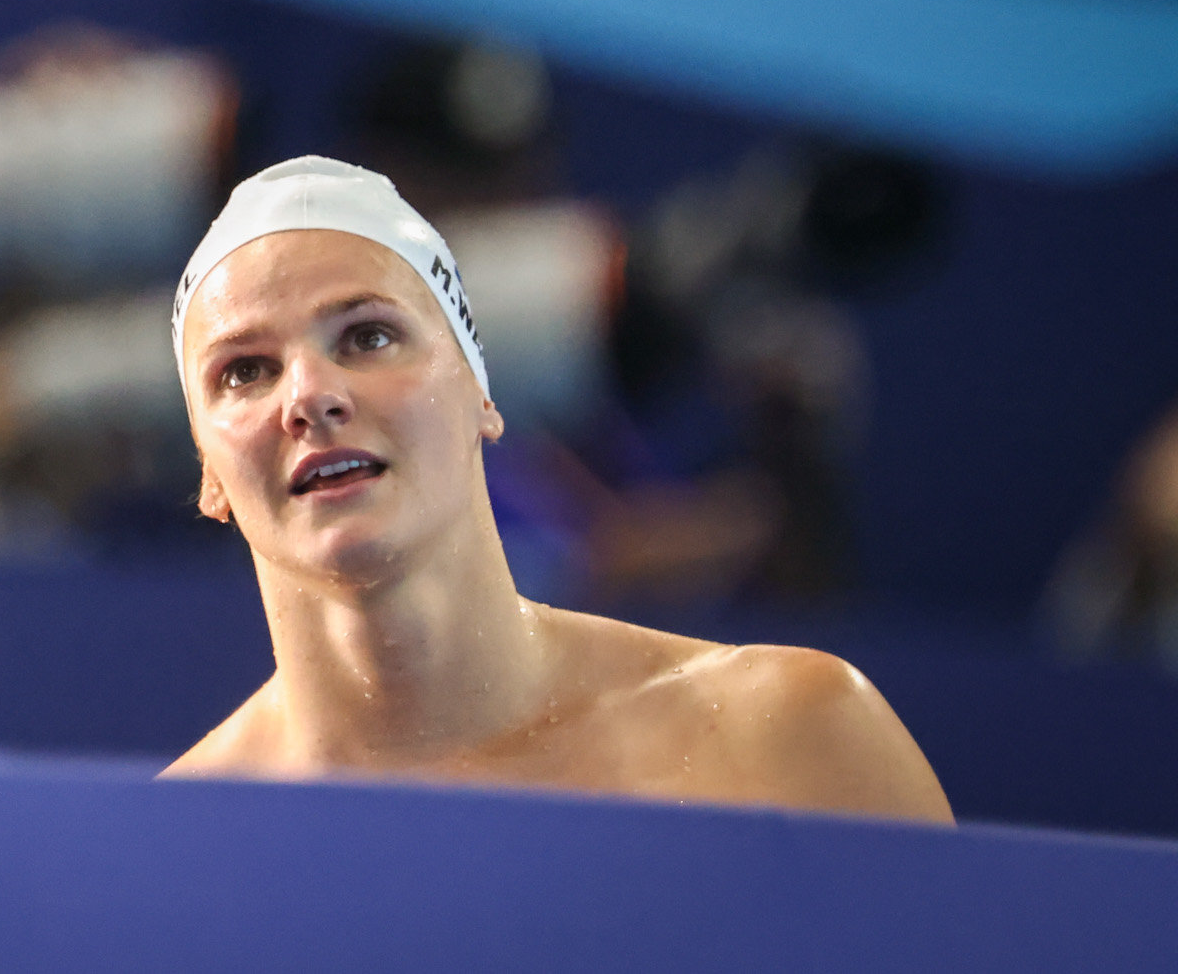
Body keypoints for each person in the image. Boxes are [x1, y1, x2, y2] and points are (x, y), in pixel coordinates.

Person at [160, 156, 951, 823]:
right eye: (245, 370)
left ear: (483, 393)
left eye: (368, 336)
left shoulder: (788, 742)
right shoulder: (167, 851)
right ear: (207, 471)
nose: (309, 393)